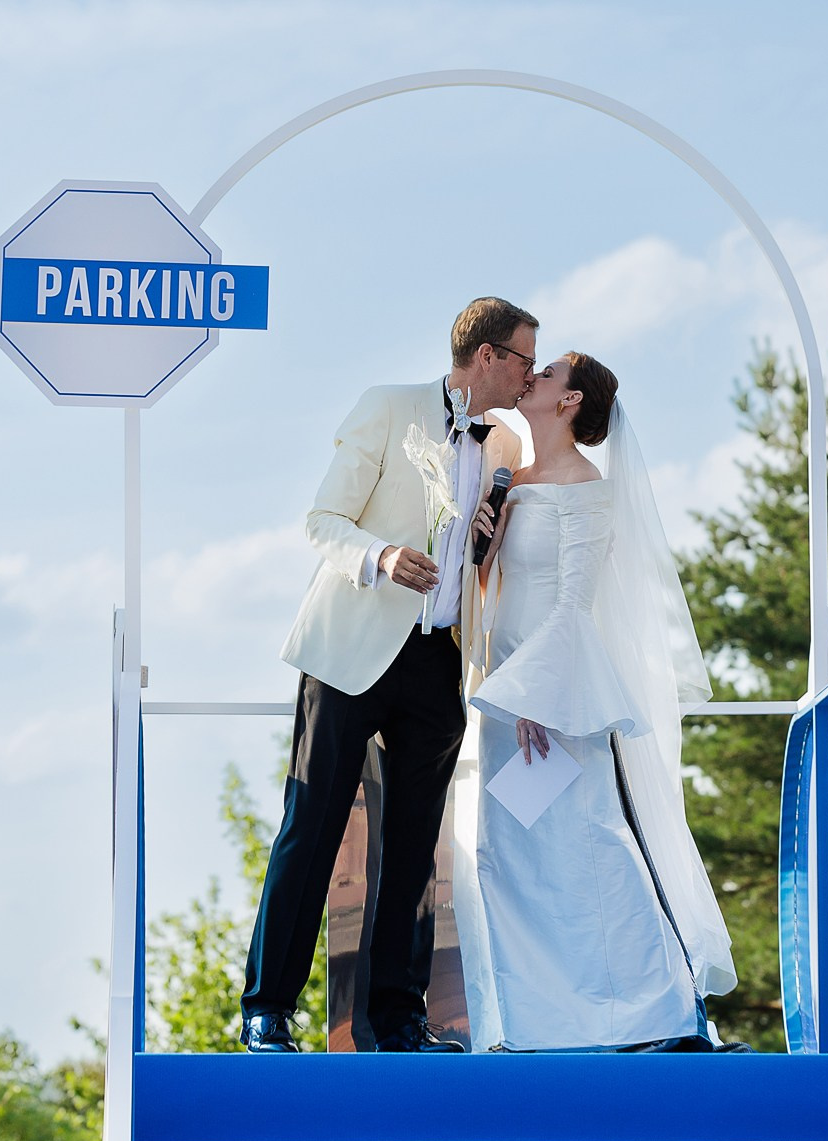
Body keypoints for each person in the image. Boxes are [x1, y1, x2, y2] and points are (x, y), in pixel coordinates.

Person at [240, 297, 539, 1053]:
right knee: (310, 829)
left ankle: (401, 1019)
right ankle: (268, 1009)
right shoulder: (387, 408)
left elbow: (479, 550)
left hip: (439, 661)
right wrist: (380, 558)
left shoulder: (502, 443)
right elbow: (322, 522)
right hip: (351, 652)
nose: (530, 374)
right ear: (487, 357)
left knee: (414, 849)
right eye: (525, 360)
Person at [453, 352, 739, 1051]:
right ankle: (536, 1022)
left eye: (545, 373)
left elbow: (573, 605)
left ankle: (657, 1010)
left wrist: (537, 696)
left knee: (586, 842)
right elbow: (488, 594)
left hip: (558, 699)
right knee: (506, 853)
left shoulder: (588, 488)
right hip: (500, 696)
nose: (532, 377)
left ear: (571, 400)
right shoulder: (510, 480)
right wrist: (478, 549)